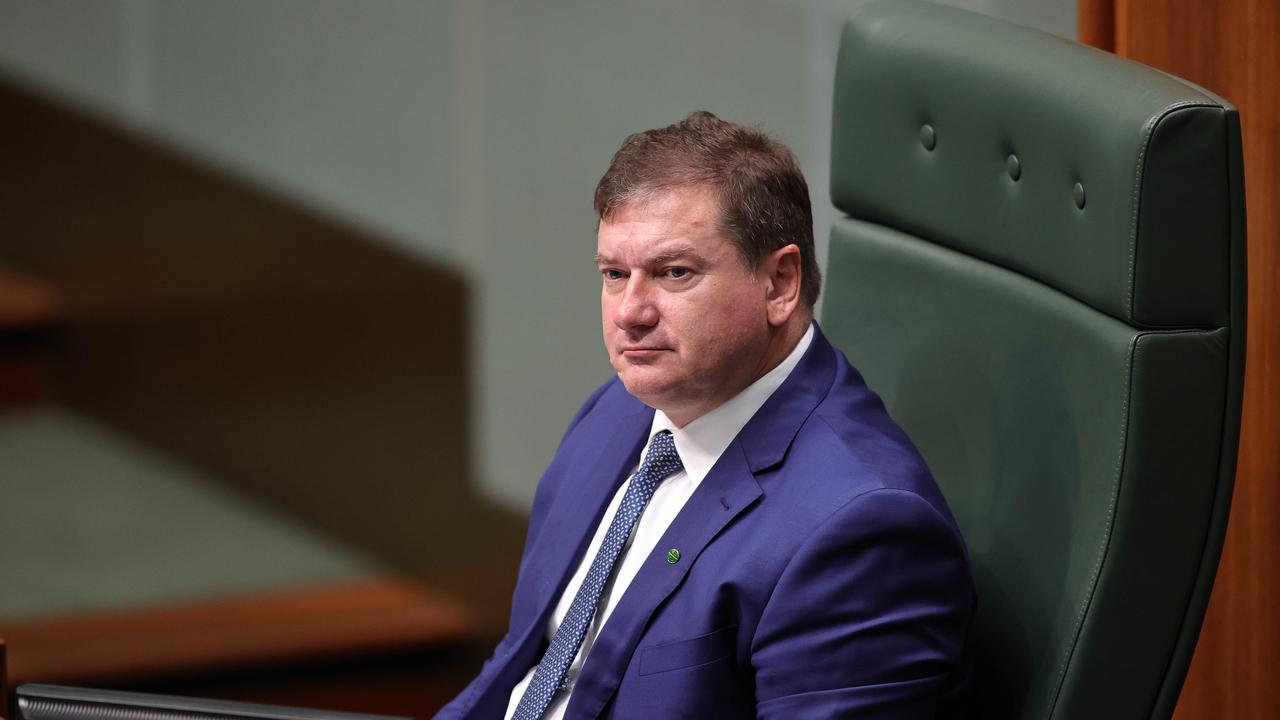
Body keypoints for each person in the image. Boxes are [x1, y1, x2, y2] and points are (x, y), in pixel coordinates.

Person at [437, 112, 974, 719]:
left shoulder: (862, 533)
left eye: (674, 273)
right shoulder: (622, 408)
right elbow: (519, 663)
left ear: (780, 283)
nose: (630, 314)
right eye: (615, 275)